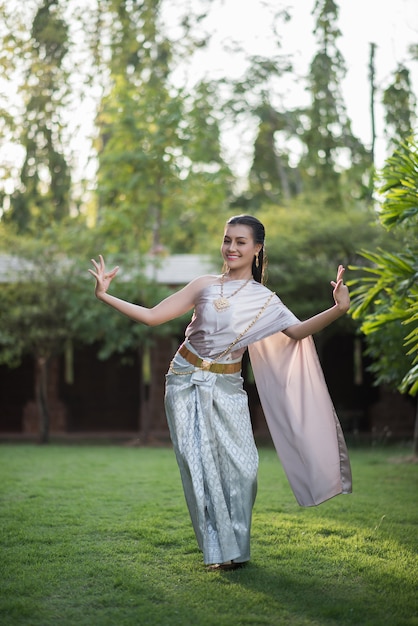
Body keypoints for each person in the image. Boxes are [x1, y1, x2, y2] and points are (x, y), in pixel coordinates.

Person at [89, 214, 352, 572]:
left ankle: (237, 548)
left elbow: (296, 331)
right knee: (200, 467)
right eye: (227, 240)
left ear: (257, 249)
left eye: (240, 242)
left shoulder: (265, 300)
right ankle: (221, 553)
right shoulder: (204, 285)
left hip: (229, 386)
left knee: (245, 469)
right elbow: (153, 316)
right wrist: (105, 296)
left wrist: (338, 309)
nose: (231, 247)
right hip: (185, 381)